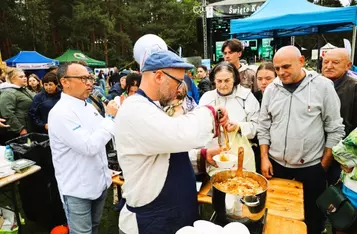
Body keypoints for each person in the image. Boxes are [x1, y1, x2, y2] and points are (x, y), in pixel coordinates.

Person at [115, 50, 229, 234]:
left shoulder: (152, 106)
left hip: (170, 214)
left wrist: (202, 156)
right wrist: (213, 111)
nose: (179, 89)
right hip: (151, 219)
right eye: (177, 82)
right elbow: (179, 134)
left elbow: (163, 153)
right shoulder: (134, 109)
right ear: (159, 76)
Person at [258, 46, 345, 234]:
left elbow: (335, 129)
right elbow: (263, 126)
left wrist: (323, 166)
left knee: (313, 218)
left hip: (311, 168)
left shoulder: (322, 86)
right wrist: (264, 158)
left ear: (302, 61)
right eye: (277, 68)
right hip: (277, 167)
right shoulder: (271, 89)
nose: (281, 72)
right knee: (277, 217)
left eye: (286, 67)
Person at [48, 62, 119, 234]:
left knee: (94, 228)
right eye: (83, 78)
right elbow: (89, 146)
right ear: (65, 82)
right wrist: (110, 117)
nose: (90, 83)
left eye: (90, 78)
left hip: (98, 182)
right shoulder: (61, 113)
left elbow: (104, 135)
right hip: (77, 189)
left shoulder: (88, 106)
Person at [199, 61, 260, 173]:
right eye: (219, 81)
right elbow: (199, 127)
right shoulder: (207, 98)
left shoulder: (246, 97)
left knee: (242, 186)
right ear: (213, 80)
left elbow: (257, 127)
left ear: (235, 79)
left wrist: (239, 126)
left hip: (242, 156)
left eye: (227, 80)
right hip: (215, 155)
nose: (223, 85)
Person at [0, 68, 35, 142]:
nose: (25, 78)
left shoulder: (22, 89)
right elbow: (7, 113)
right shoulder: (8, 92)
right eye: (21, 77)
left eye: (24, 76)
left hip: (27, 127)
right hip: (17, 132)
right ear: (12, 79)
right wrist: (20, 129)